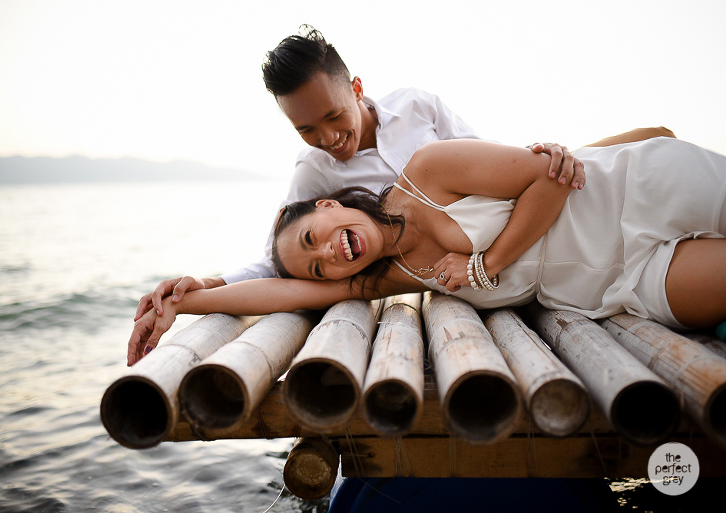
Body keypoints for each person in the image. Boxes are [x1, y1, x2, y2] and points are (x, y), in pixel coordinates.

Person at [127, 135, 726, 365]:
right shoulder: (391, 276)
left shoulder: (428, 170)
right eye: (319, 265)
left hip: (633, 194)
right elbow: (285, 289)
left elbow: (550, 177)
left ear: (331, 205)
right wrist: (190, 301)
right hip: (626, 282)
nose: (330, 256)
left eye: (315, 237)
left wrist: (482, 266)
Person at [133, 25, 589, 322]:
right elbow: (282, 260)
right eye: (306, 128)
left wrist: (542, 154)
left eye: (334, 116)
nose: (328, 137)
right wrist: (206, 286)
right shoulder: (314, 173)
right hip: (453, 283)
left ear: (356, 88)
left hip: (511, 245)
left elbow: (493, 166)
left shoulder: (417, 106)